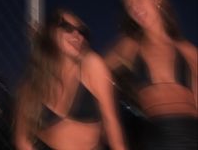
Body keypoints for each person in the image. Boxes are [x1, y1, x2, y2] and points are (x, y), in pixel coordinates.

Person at [14, 8, 127, 150]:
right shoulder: (31, 87)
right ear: (50, 33)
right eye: (67, 27)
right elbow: (23, 140)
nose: (77, 35)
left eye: (82, 32)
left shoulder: (91, 65)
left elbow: (112, 123)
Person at [105, 0, 198, 150]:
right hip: (155, 136)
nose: (134, 7)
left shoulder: (189, 51)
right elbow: (94, 74)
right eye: (129, 4)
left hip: (192, 135)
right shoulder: (129, 46)